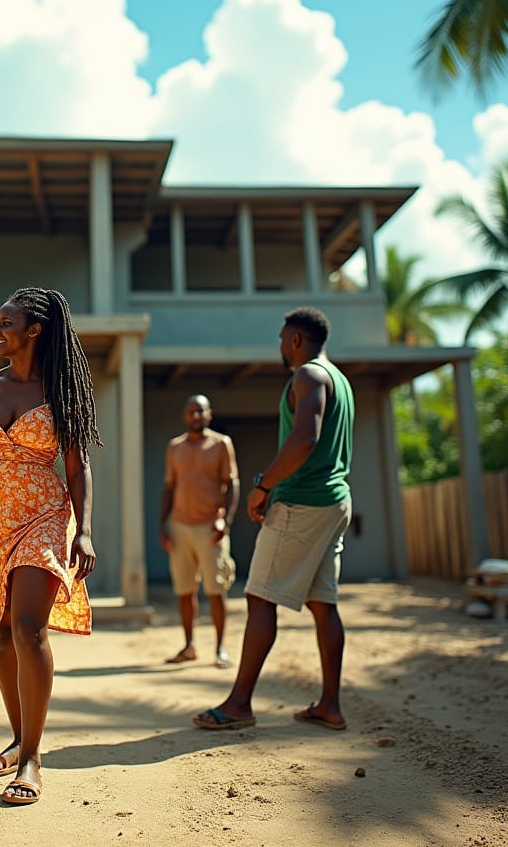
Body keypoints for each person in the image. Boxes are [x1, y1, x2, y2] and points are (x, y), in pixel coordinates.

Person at [0, 287, 101, 806]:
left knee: (29, 628)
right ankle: (17, 738)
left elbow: (77, 467)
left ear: (34, 330)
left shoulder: (61, 391)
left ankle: (32, 758)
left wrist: (84, 530)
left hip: (44, 513)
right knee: (2, 633)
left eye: (5, 322)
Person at [193, 306, 354, 733]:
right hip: (335, 501)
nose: (281, 347)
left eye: (283, 339)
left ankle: (240, 704)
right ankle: (330, 706)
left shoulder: (308, 376)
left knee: (261, 597)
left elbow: (305, 438)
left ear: (297, 339)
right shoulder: (340, 379)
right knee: (324, 603)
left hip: (303, 501)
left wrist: (264, 485)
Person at [159, 394, 238, 668]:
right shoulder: (175, 447)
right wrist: (163, 527)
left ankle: (220, 649)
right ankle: (189, 645)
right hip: (180, 526)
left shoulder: (221, 445)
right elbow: (169, 488)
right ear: (185, 416)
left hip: (210, 528)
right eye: (191, 411)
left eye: (200, 411)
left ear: (209, 414)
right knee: (184, 590)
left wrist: (225, 522)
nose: (196, 416)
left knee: (216, 589)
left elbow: (232, 485)